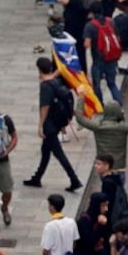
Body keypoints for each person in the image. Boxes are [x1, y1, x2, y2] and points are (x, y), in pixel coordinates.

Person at [24, 57, 82, 191]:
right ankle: (37, 177)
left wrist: (40, 125)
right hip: (57, 123)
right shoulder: (56, 81)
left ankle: (74, 179)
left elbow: (45, 107)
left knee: (58, 153)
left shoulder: (45, 85)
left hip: (49, 125)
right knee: (45, 151)